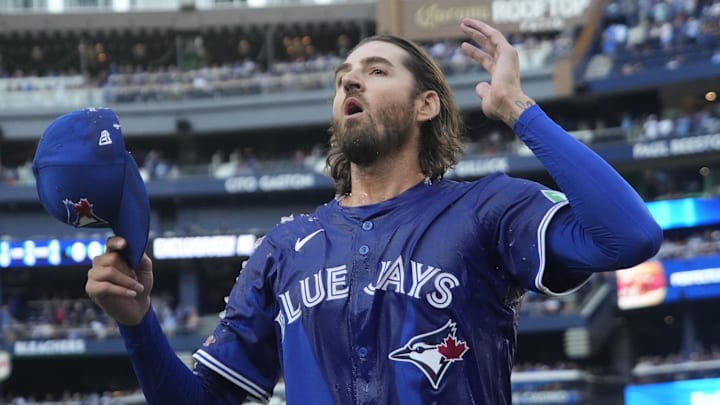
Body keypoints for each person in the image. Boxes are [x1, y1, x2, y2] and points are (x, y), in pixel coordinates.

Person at [85, 18, 663, 404]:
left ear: (426, 105)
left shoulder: (486, 208)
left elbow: (629, 237)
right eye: (343, 79)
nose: (351, 80)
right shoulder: (284, 248)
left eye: (376, 70)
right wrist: (137, 325)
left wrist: (518, 109)